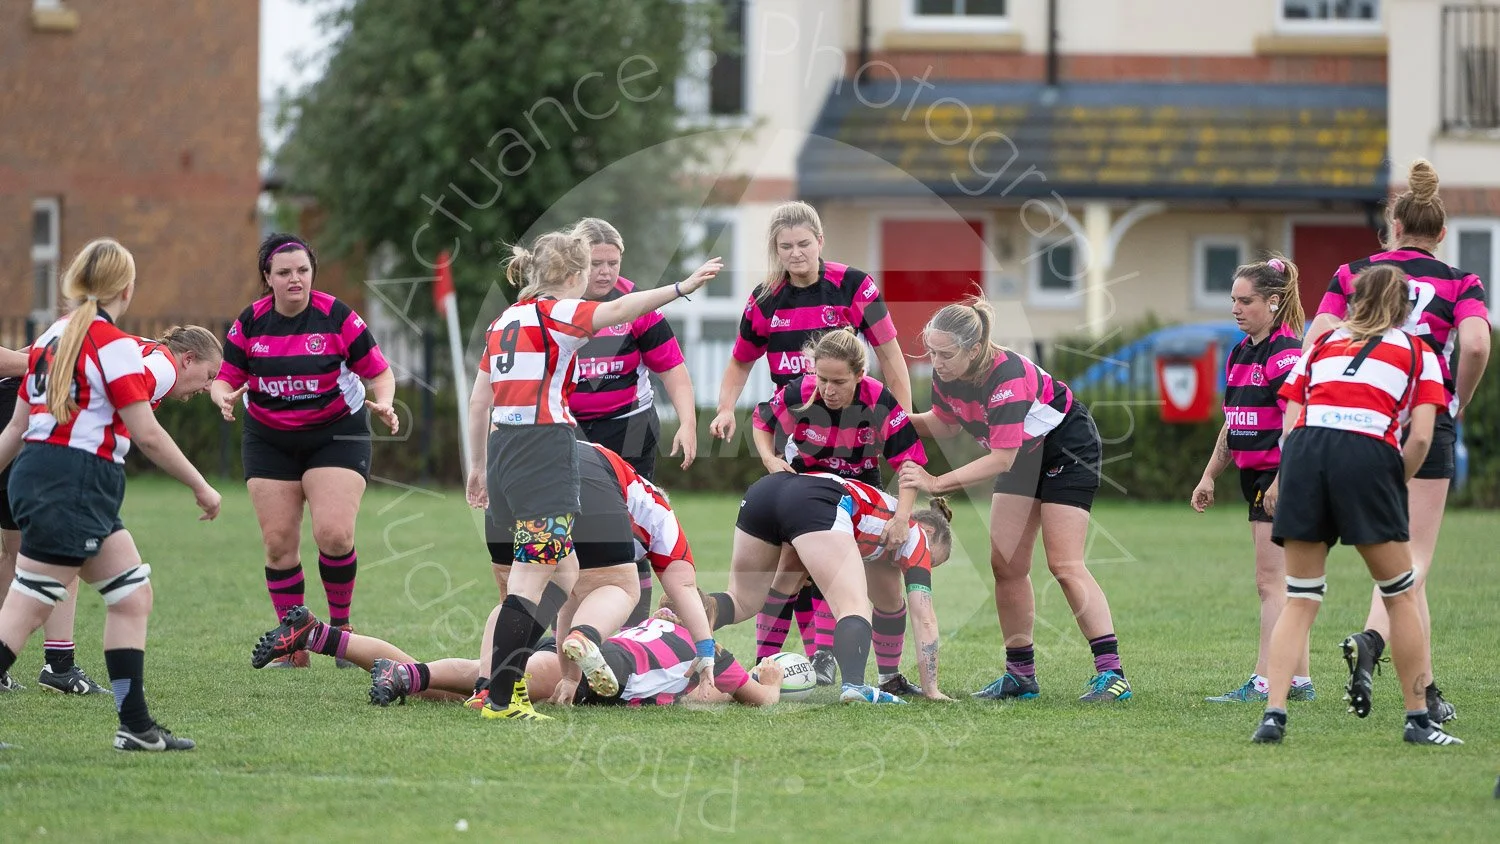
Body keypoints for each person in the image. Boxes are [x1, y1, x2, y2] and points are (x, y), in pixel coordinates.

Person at [465, 228, 720, 721]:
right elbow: (621, 310)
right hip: (545, 454)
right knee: (527, 584)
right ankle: (502, 697)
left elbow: (480, 401)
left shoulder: (504, 320)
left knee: (563, 572)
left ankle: (498, 681)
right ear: (576, 274)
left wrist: (477, 467)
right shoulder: (555, 312)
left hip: (503, 454)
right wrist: (681, 287)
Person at [0, 238, 221, 751]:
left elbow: (15, 428)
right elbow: (146, 433)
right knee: (28, 606)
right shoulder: (117, 347)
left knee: (131, 595)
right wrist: (201, 485)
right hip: (75, 482)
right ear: (127, 288)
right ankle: (134, 724)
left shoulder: (52, 337)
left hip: (48, 476)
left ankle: (135, 726)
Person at [1306, 159, 1490, 725]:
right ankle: (1373, 642)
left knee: (1402, 563)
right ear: (1440, 232)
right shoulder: (1459, 281)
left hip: (1359, 416)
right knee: (1414, 560)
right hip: (1420, 417)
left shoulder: (1354, 272)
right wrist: (1456, 399)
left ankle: (1427, 689)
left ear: (1392, 225)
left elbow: (1315, 339)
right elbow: (1478, 345)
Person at [1252, 264, 1459, 746]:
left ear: (1353, 303)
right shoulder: (1418, 350)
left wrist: (1295, 472)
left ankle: (1273, 716)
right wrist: (1392, 483)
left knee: (1301, 596)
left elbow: (1291, 420)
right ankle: (1418, 722)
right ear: (1405, 309)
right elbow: (1423, 437)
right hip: (1365, 452)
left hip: (1305, 452)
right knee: (1399, 594)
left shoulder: (1323, 344)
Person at [708, 201, 913, 685]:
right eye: (785, 246)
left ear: (820, 241)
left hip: (858, 442)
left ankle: (867, 669)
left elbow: (889, 353)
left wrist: (897, 419)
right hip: (800, 440)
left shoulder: (853, 285)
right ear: (774, 249)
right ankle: (806, 660)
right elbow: (740, 361)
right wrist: (723, 407)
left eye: (804, 244)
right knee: (795, 556)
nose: (796, 254)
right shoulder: (765, 298)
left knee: (861, 559)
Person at [899, 295, 1131, 703]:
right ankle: (1021, 676)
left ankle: (1112, 674)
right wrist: (892, 421)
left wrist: (935, 483)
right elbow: (947, 424)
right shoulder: (947, 372)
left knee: (1064, 563)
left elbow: (1001, 458)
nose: (936, 362)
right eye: (931, 352)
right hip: (1020, 456)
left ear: (973, 349)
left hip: (1066, 449)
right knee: (1006, 564)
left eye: (945, 354)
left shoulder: (1006, 374)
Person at [210, 233, 398, 669]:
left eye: (303, 270)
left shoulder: (337, 316)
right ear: (267, 278)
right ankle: (292, 642)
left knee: (334, 534)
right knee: (278, 544)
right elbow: (225, 377)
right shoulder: (250, 322)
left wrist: (385, 400)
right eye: (284, 273)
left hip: (335, 432)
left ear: (312, 272)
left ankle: (341, 633)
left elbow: (380, 373)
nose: (295, 279)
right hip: (269, 437)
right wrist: (221, 395)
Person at [467, 440, 717, 707]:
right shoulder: (660, 516)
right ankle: (587, 634)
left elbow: (568, 601)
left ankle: (488, 689)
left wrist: (570, 679)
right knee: (623, 587)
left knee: (516, 601)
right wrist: (705, 650)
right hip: (584, 478)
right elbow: (685, 587)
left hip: (510, 470)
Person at [749, 327, 927, 691]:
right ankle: (760, 668)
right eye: (821, 378)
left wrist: (901, 519)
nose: (827, 389)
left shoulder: (879, 400)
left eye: (838, 381)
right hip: (807, 491)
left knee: (887, 589)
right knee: (791, 573)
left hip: (861, 492)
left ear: (860, 375)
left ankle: (888, 678)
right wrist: (769, 458)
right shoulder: (801, 391)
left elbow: (910, 464)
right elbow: (761, 422)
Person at [707, 472, 956, 703]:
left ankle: (679, 624)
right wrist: (931, 689)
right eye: (932, 561)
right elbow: (924, 619)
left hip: (765, 491)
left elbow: (787, 584)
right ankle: (854, 687)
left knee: (741, 600)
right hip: (818, 501)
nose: (926, 566)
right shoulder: (916, 535)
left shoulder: (877, 519)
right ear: (928, 530)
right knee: (853, 605)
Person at [1191, 256, 1316, 703]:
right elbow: (1234, 422)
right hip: (1257, 478)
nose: (1235, 309)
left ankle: (1266, 679)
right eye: (1233, 300)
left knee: (1270, 583)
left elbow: (1299, 422)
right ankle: (1298, 679)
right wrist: (1209, 475)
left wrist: (1283, 478)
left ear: (1274, 301)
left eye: (1246, 301)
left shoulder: (1284, 353)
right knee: (1286, 582)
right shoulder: (1242, 352)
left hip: (1280, 477)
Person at [251, 605, 783, 708]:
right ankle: (409, 674)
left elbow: (701, 693)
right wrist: (774, 677)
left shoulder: (649, 625)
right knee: (484, 681)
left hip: (591, 651)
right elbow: (754, 697)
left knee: (437, 687)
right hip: (599, 669)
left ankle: (322, 637)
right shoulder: (708, 650)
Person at [569, 218, 698, 628]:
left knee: (632, 528)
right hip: (570, 430)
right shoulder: (556, 306)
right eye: (596, 263)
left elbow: (673, 369)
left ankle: (632, 628)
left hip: (629, 427)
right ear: (575, 262)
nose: (606, 272)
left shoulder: (637, 304)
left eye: (613, 262)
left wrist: (688, 423)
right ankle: (568, 623)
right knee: (569, 527)